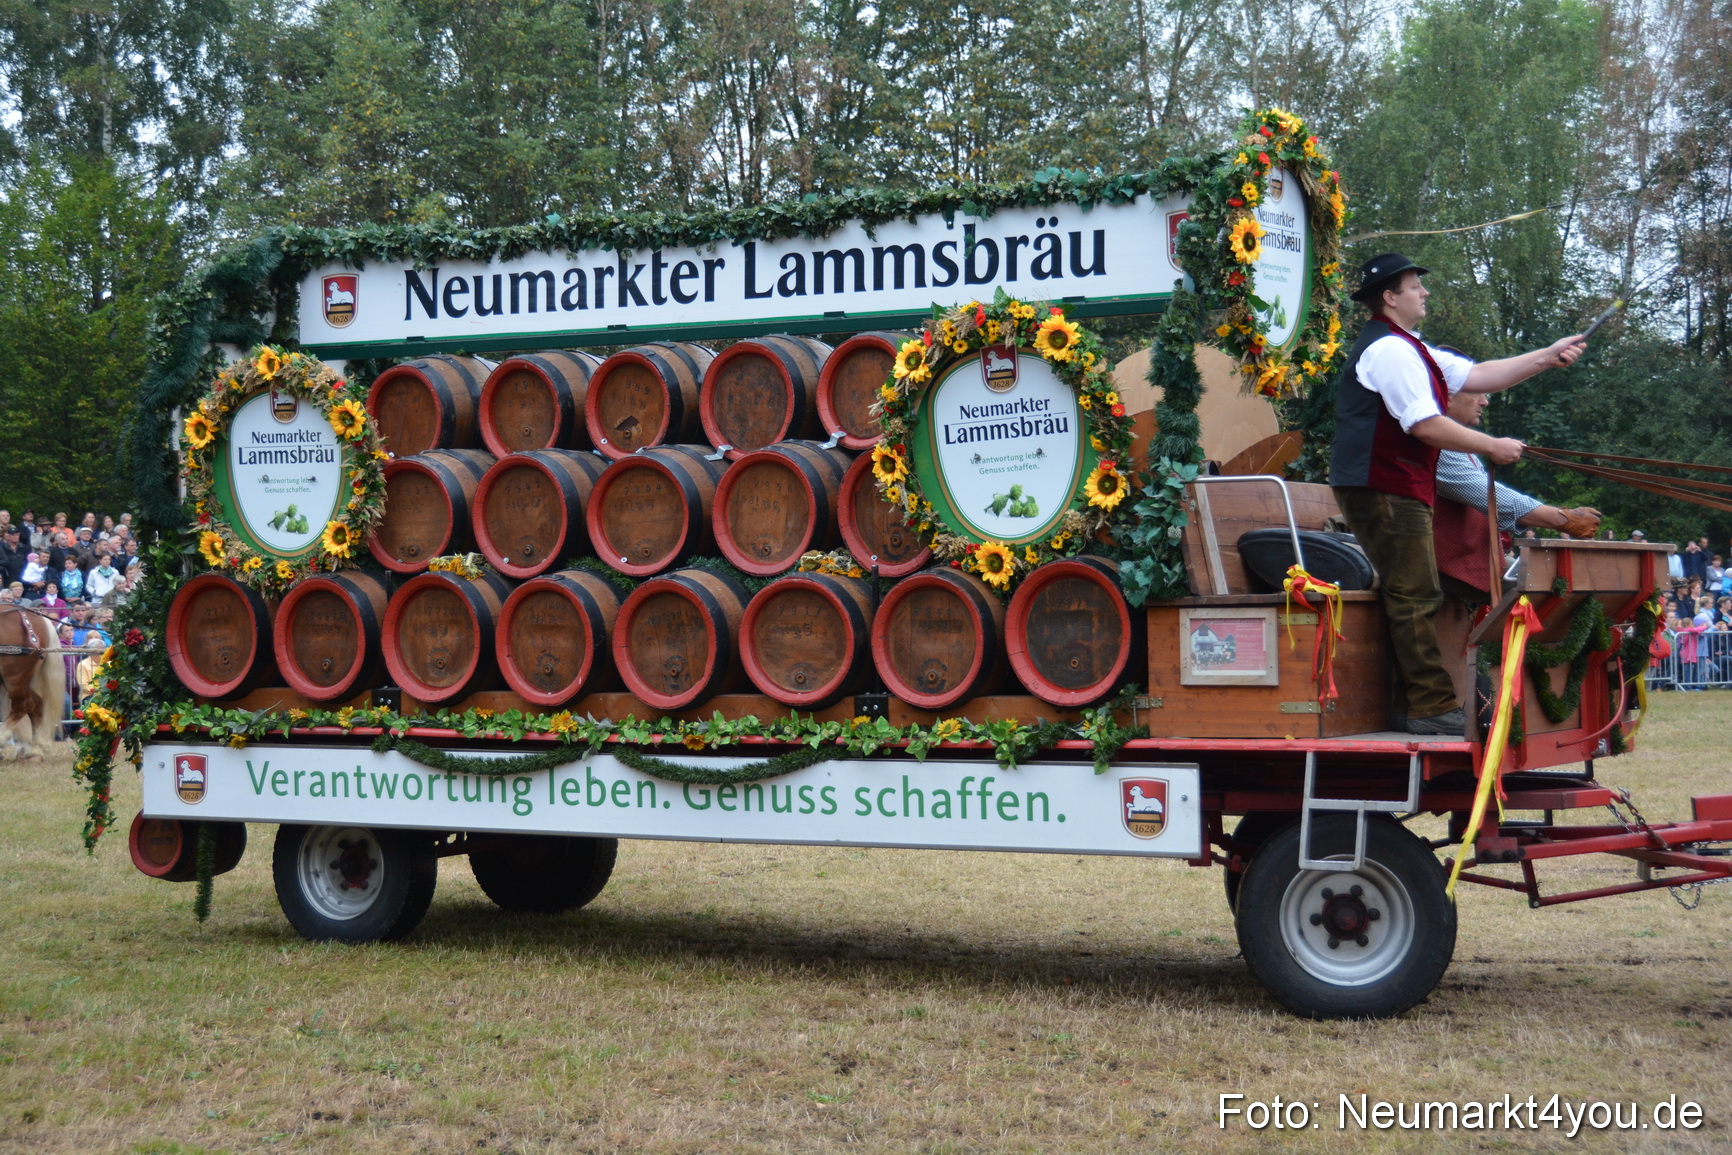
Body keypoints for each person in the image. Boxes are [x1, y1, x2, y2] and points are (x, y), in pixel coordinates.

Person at [1328, 252, 1586, 735]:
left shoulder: (1413, 348)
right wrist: (1493, 446)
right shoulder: (1389, 351)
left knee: (1416, 591)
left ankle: (1417, 705)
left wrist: (1548, 356)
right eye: (1413, 286)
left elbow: (1484, 374)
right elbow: (1425, 425)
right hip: (1380, 482)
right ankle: (1430, 707)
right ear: (1389, 297)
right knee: (1414, 593)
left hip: (1393, 482)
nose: (1423, 292)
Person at [1432, 390, 1601, 599]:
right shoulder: (1436, 444)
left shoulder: (1454, 443)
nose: (1485, 402)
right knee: (1546, 584)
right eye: (1477, 393)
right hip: (1441, 563)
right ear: (1446, 396)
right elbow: (1491, 497)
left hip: (1461, 557)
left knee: (1558, 580)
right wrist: (1563, 519)